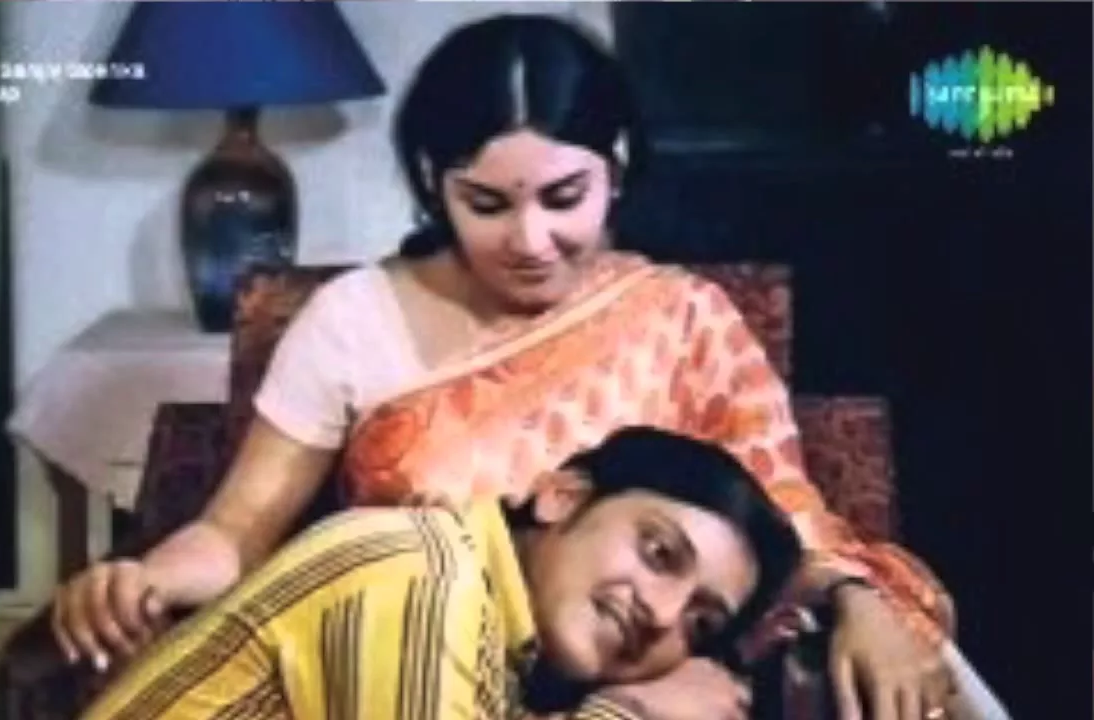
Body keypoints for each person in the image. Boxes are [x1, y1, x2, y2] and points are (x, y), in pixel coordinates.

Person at [53, 13, 973, 720]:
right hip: (407, 667)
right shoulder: (356, 324)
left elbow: (773, 526)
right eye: (487, 203)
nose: (531, 241)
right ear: (432, 181)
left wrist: (861, 604)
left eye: (565, 197)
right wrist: (148, 582)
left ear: (617, 167)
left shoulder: (682, 320)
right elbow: (236, 532)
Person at [79, 427, 804, 720]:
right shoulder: (426, 577)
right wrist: (634, 714)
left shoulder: (499, 635)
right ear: (561, 496)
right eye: (658, 553)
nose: (662, 614)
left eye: (700, 623)